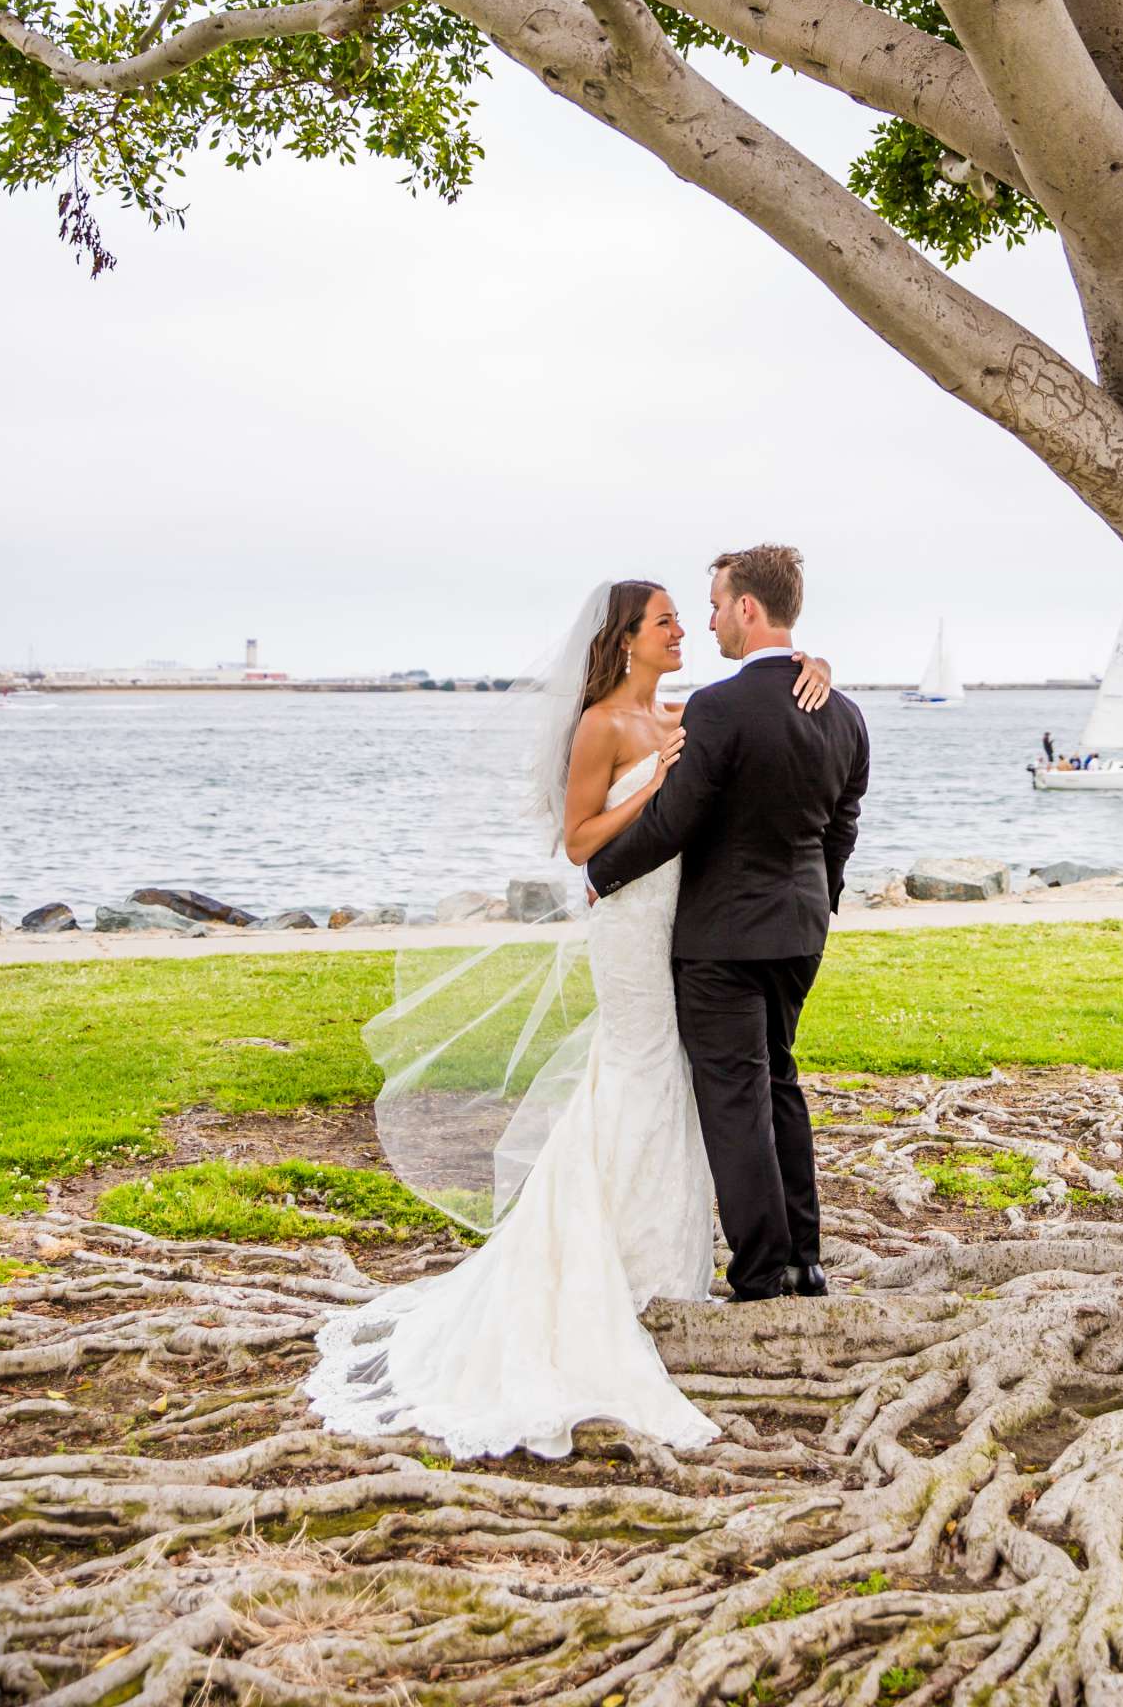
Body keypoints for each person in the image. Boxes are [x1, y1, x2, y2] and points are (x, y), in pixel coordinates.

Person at [306, 576, 834, 1459]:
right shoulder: (602, 725)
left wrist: (809, 662)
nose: (684, 631)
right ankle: (606, 1266)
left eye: (687, 617)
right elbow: (581, 839)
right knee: (638, 1067)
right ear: (626, 637)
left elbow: (749, 736)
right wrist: (651, 789)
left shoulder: (689, 715)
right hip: (631, 918)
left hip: (690, 923)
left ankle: (670, 1266)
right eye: (667, 621)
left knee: (679, 1081)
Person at [589, 545, 870, 1303]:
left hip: (721, 938)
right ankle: (804, 1259)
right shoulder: (843, 712)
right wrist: (820, 894)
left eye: (714, 605)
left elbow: (677, 820)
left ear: (748, 608)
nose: (707, 620)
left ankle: (759, 1273)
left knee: (734, 1098)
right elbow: (842, 825)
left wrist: (601, 872)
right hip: (801, 929)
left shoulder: (719, 707)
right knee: (779, 1081)